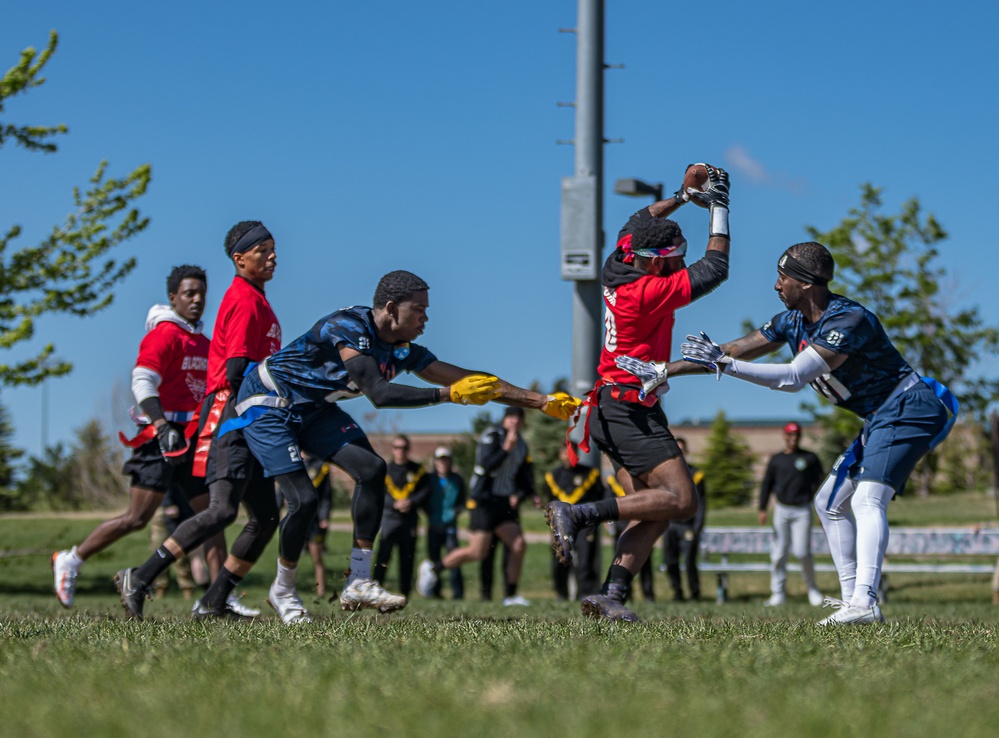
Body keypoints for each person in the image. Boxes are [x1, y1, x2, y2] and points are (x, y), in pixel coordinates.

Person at [192, 269, 578, 623]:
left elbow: (475, 380)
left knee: (372, 470)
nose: (426, 318)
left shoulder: (404, 347)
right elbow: (378, 392)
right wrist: (446, 396)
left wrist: (540, 402)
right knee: (304, 500)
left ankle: (359, 580)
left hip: (311, 409)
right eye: (419, 309)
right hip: (268, 401)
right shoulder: (348, 326)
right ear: (392, 309)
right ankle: (284, 590)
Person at [678, 240, 957, 625]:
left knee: (866, 501)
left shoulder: (848, 319)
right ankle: (852, 604)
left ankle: (865, 602)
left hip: (909, 406)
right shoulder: (791, 321)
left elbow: (793, 377)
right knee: (828, 502)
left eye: (783, 277)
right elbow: (732, 348)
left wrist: (724, 365)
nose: (777, 285)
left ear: (806, 283)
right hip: (880, 415)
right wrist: (664, 371)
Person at [544, 162, 731, 622]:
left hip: (613, 405)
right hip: (630, 408)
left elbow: (641, 219)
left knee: (653, 509)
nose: (680, 264)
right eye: (675, 258)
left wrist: (685, 198)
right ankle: (578, 515)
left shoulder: (620, 261)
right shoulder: (646, 291)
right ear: (652, 262)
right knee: (683, 501)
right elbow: (717, 267)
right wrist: (720, 208)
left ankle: (611, 595)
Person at [114, 221, 282, 621]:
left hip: (252, 413)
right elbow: (239, 367)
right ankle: (139, 577)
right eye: (263, 251)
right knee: (222, 510)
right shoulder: (243, 299)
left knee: (266, 515)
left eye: (274, 249)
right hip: (230, 413)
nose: (273, 256)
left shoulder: (258, 299)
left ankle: (214, 600)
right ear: (239, 259)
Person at [51, 265, 227, 609]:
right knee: (136, 518)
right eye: (189, 293)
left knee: (214, 515)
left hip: (194, 438)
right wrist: (161, 426)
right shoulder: (163, 335)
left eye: (202, 294)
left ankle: (219, 599)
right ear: (172, 297)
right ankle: (72, 558)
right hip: (160, 435)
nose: (196, 300)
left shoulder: (204, 343)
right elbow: (142, 382)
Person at [418, 406, 540, 607]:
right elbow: (484, 466)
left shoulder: (522, 445)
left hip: (503, 501)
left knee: (518, 544)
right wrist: (505, 450)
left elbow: (522, 474)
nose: (514, 421)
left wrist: (531, 494)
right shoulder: (491, 436)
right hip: (483, 500)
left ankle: (511, 595)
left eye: (518, 418)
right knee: (477, 552)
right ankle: (433, 569)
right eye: (511, 417)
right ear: (505, 419)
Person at [758, 422, 825, 607]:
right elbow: (767, 484)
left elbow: (821, 485)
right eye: (790, 435)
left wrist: (821, 510)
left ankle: (813, 590)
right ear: (785, 436)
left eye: (796, 435)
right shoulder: (777, 459)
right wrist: (762, 508)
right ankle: (778, 593)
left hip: (802, 510)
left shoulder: (810, 458)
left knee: (803, 552)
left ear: (800, 436)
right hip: (782, 510)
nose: (793, 438)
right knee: (779, 553)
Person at [544, 442, 604, 600]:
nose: (568, 455)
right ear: (560, 454)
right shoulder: (553, 476)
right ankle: (561, 593)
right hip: (561, 523)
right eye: (565, 452)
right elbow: (549, 502)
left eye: (572, 452)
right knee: (560, 557)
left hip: (585, 523)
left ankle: (586, 593)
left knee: (586, 559)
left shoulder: (590, 473)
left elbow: (599, 497)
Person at [374, 434, 431, 598]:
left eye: (404, 448)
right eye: (397, 447)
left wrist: (411, 501)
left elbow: (425, 490)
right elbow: (379, 493)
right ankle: (376, 587)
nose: (401, 451)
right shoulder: (386, 470)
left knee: (407, 555)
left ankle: (405, 592)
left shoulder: (417, 470)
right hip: (390, 517)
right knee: (384, 553)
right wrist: (393, 503)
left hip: (409, 518)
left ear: (408, 449)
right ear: (393, 450)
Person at [662, 437, 706, 602]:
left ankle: (695, 594)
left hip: (688, 526)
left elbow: (702, 504)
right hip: (670, 525)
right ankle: (677, 593)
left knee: (689, 562)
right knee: (670, 561)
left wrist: (697, 527)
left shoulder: (696, 475)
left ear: (686, 452)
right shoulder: (665, 475)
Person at [604, 473, 655, 602]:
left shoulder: (642, 479)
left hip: (641, 524)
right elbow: (608, 504)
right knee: (621, 561)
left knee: (645, 561)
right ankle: (625, 593)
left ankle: (648, 594)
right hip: (621, 526)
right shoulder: (613, 481)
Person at [425, 446, 466, 599]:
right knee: (434, 560)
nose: (443, 463)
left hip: (450, 525)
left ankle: (458, 593)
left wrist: (457, 511)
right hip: (433, 524)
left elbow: (463, 499)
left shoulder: (457, 479)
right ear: (435, 462)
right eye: (440, 460)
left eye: (446, 459)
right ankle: (435, 592)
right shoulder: (429, 479)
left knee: (454, 559)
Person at [302, 452, 334, 598]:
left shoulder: (321, 466)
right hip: (297, 517)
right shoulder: (293, 463)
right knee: (288, 557)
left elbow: (327, 495)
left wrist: (324, 516)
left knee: (317, 557)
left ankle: (321, 591)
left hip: (315, 519)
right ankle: (287, 590)